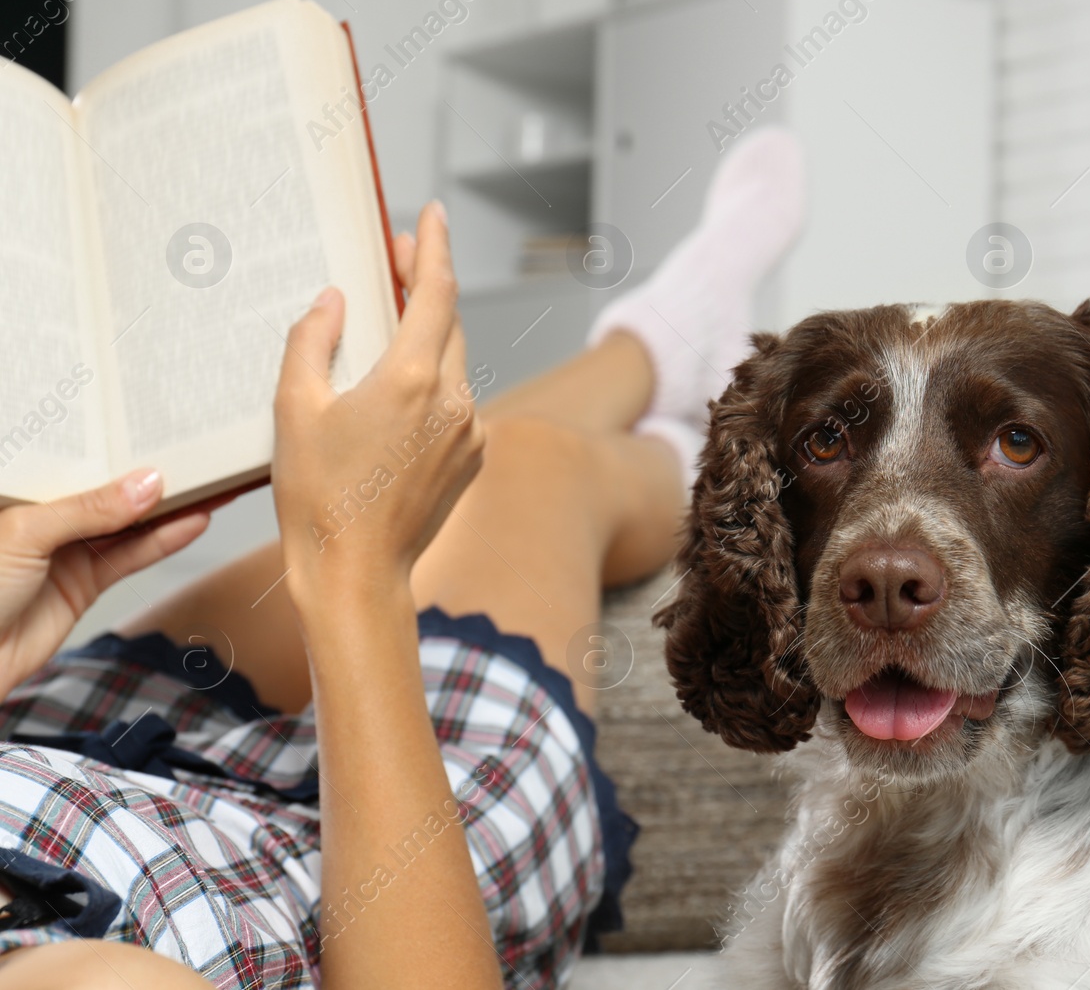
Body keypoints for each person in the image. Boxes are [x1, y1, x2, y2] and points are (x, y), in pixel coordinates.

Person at [0, 128, 805, 990]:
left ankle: (655, 351)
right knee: (523, 466)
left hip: (52, 758)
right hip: (350, 888)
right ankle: (701, 435)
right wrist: (356, 578)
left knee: (400, 466)